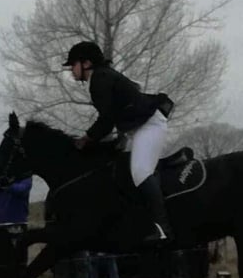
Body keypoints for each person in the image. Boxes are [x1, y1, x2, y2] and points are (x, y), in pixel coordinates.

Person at [64, 41, 175, 244]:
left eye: (73, 65)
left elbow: (106, 120)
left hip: (149, 125)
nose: (71, 70)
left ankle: (162, 227)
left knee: (141, 171)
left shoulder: (100, 79)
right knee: (123, 169)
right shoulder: (103, 76)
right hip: (137, 127)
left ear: (86, 63)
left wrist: (86, 138)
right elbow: (117, 113)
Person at [0, 175, 32, 278]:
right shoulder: (1, 175)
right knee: (0, 263)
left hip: (17, 223)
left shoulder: (25, 177)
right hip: (0, 224)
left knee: (19, 262)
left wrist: (7, 185)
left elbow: (22, 190)